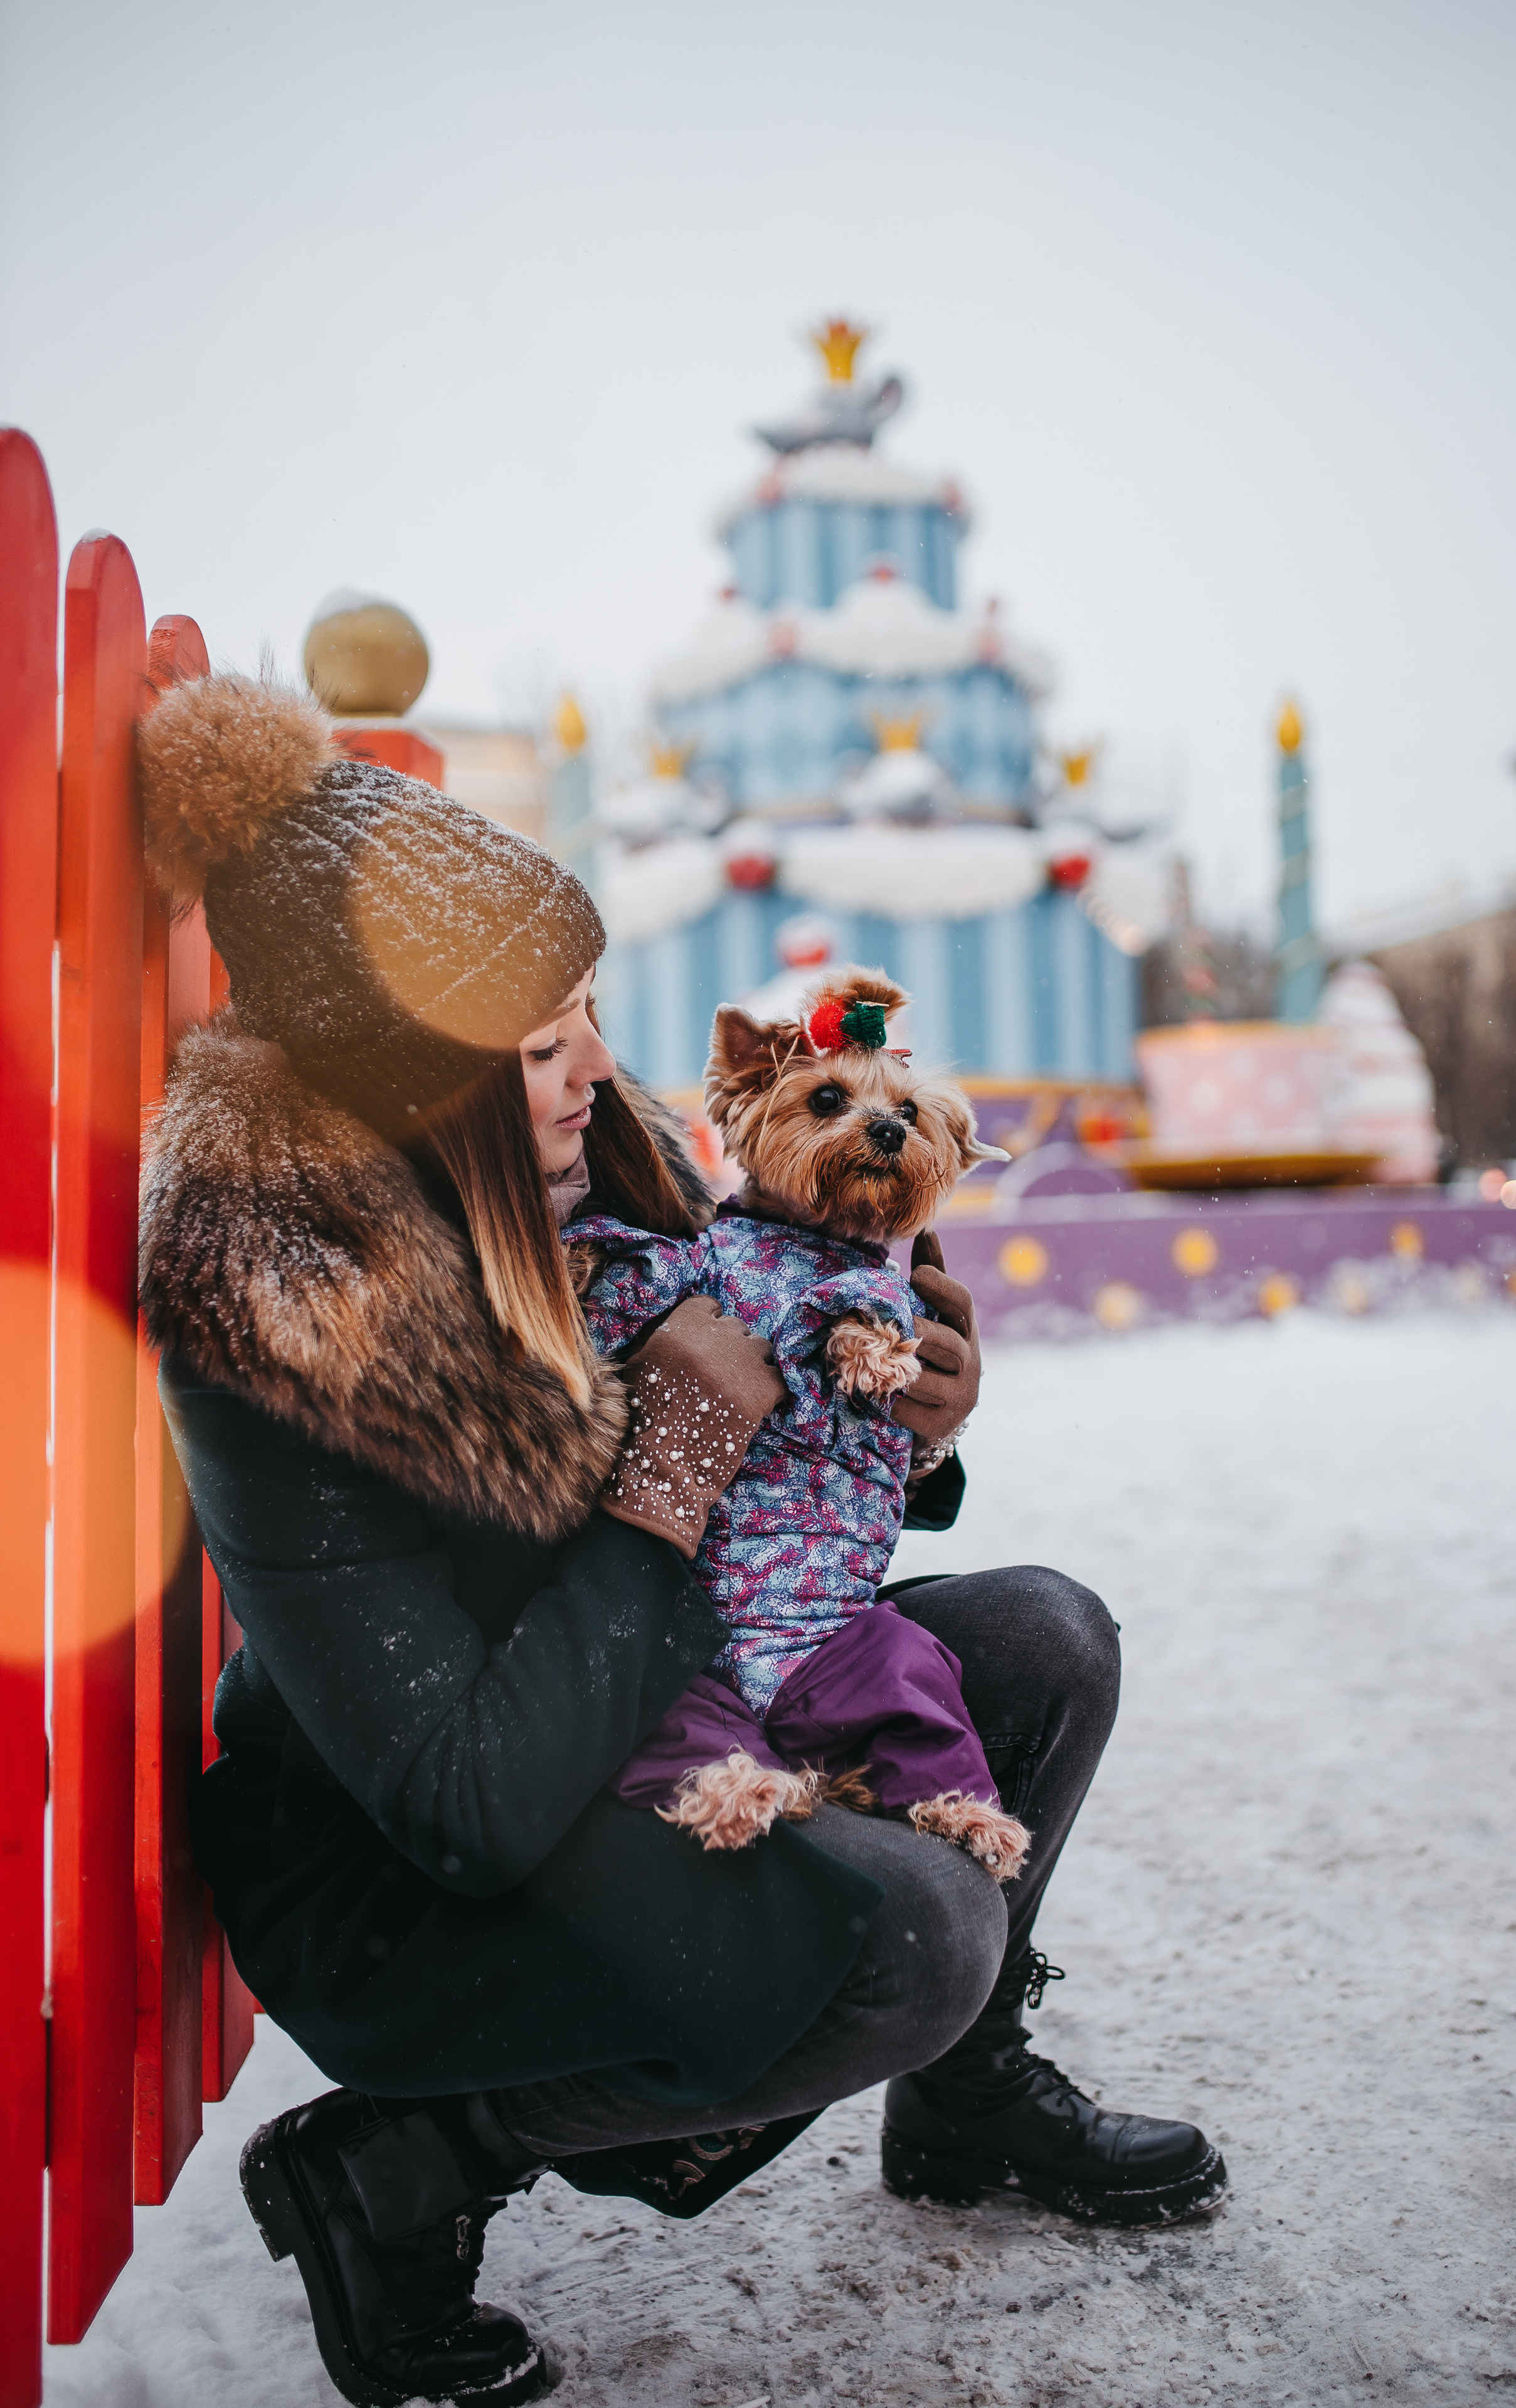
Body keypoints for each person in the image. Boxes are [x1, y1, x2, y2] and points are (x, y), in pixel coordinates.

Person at [137, 675, 1226, 2408]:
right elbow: (468, 1803)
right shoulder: (288, 1328)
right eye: (541, 1037)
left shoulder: (601, 1161)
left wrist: (915, 1420)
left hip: (659, 1683)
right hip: (419, 1858)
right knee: (917, 1932)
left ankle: (960, 2099)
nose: (595, 1066)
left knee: (1046, 1639)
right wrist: (680, 1461)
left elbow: (781, 1401)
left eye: (586, 1016)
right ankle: (414, 2157)